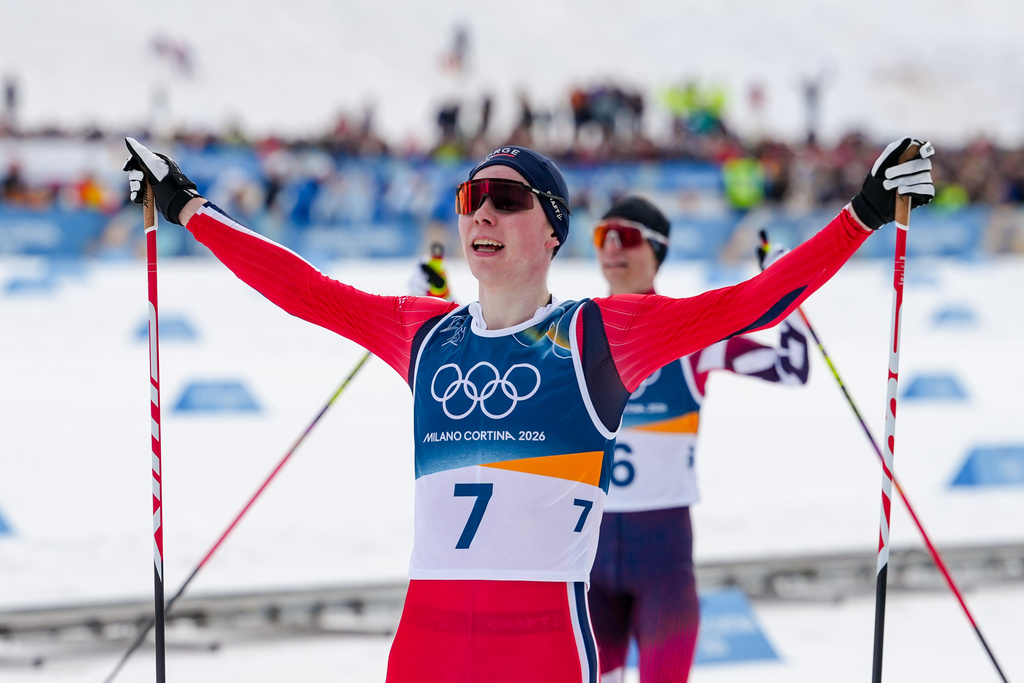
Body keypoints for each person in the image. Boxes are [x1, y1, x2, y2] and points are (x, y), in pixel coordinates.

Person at [123, 137, 934, 683]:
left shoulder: (600, 334)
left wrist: (861, 212)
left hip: (542, 644)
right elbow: (303, 291)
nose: (480, 212)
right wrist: (190, 206)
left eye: (506, 198)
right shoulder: (425, 333)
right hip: (424, 646)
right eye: (472, 195)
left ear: (552, 231)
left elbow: (754, 303)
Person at [586, 196, 811, 683]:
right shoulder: (577, 333)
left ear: (657, 249)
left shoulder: (691, 335)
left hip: (661, 555)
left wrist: (790, 293)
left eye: (625, 236)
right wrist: (435, 297)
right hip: (587, 552)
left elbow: (792, 369)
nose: (611, 249)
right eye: (601, 236)